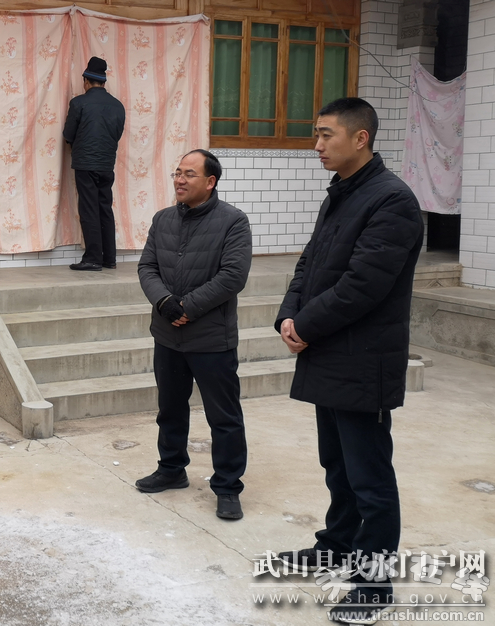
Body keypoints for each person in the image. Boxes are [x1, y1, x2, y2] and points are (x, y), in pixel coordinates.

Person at [274, 97, 423, 624]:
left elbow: (364, 285)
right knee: (336, 465)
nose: (316, 145)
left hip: (363, 359)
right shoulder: (342, 192)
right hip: (329, 352)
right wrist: (288, 316)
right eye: (316, 135)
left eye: (325, 135)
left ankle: (374, 585)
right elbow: (310, 262)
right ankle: (336, 546)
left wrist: (306, 325)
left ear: (360, 138)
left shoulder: (392, 200)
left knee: (369, 477)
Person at [136, 149, 252, 521]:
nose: (180, 180)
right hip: (167, 335)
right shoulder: (162, 219)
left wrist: (187, 307)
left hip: (211, 339)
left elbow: (233, 276)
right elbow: (147, 266)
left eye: (189, 174)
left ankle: (228, 487)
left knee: (224, 417)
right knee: (170, 409)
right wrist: (164, 302)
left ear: (211, 181)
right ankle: (171, 469)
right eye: (177, 173)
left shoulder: (233, 221)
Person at [62, 56, 126, 272]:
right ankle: (109, 258)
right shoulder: (118, 106)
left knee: (89, 209)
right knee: (105, 208)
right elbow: (116, 134)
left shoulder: (78, 103)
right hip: (107, 164)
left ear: (86, 81)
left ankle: (92, 259)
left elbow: (68, 134)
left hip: (86, 164)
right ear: (103, 82)